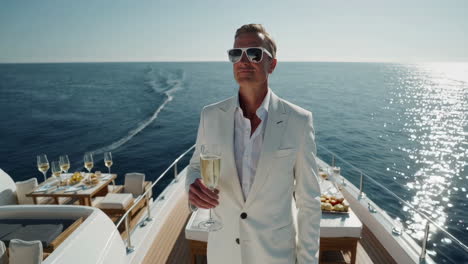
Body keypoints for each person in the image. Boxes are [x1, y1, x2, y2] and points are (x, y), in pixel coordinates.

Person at [186, 24, 321, 264]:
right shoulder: (210, 115)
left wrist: (308, 261)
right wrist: (192, 188)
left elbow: (308, 203)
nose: (244, 60)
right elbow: (196, 166)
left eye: (255, 53)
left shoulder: (299, 121)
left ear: (273, 64)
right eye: (236, 53)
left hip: (275, 256)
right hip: (223, 255)